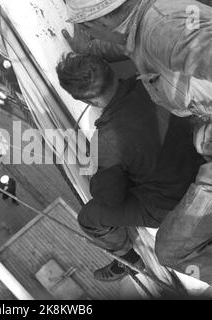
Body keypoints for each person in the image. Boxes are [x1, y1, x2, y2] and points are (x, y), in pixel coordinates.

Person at [56, 53, 204, 281]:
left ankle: (129, 260)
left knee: (90, 218)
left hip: (172, 202)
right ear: (111, 71)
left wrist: (100, 171)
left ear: (87, 101)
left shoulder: (106, 141)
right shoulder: (154, 82)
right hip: (202, 166)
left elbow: (110, 198)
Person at [63, 0, 212, 122]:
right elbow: (123, 43)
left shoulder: (163, 30)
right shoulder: (142, 23)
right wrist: (89, 49)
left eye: (86, 30)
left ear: (99, 24)